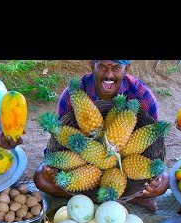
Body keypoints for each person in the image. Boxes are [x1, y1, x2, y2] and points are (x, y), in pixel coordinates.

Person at [57, 60, 167, 211]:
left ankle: (102, 198)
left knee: (163, 182)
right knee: (41, 178)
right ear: (92, 66)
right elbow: (60, 136)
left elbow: (154, 138)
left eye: (116, 68)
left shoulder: (142, 94)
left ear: (126, 68)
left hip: (128, 163)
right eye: (102, 66)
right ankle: (132, 198)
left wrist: (155, 181)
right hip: (85, 161)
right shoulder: (73, 93)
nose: (109, 74)